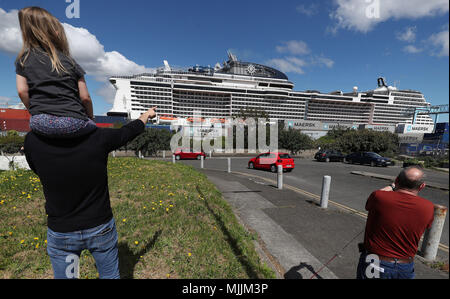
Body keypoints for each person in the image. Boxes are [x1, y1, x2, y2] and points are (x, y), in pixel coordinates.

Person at [24, 107, 157, 279]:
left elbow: (37, 169)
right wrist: (146, 115)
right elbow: (129, 131)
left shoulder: (32, 141)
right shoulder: (98, 137)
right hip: (99, 227)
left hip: (62, 231)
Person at [15, 6, 96, 139]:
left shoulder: (23, 60)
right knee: (94, 131)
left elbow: (22, 91)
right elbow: (85, 97)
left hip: (40, 122)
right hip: (74, 122)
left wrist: (36, 111)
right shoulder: (70, 62)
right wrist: (91, 118)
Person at [356, 166, 435, 279]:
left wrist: (391, 186)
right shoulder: (428, 207)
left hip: (375, 262)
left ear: (397, 180)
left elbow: (372, 201)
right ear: (422, 186)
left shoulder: (379, 197)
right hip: (405, 267)